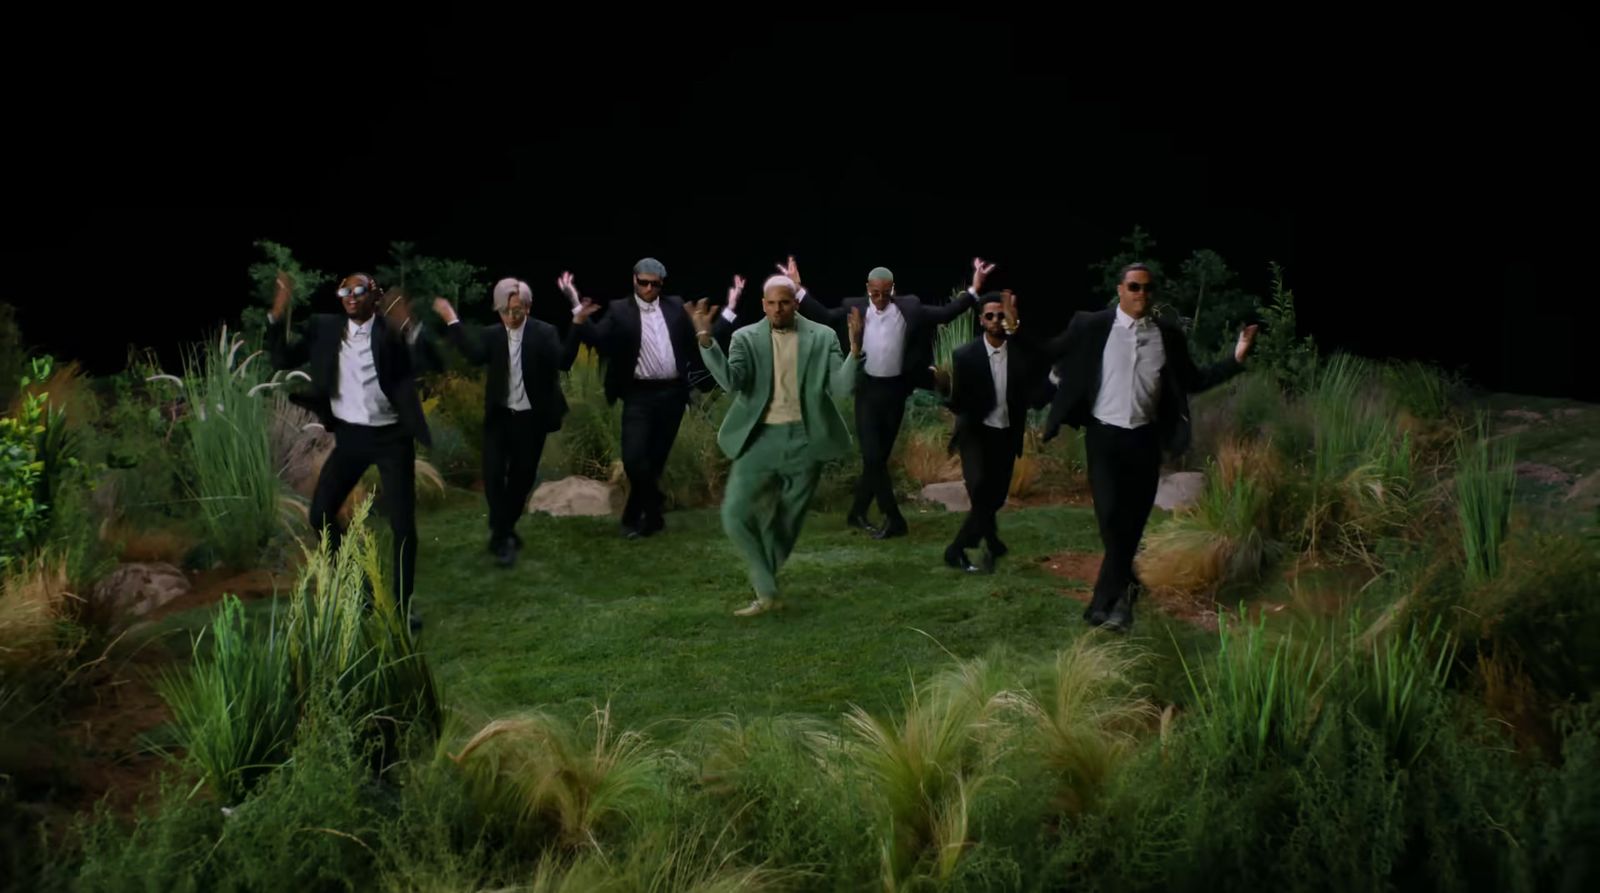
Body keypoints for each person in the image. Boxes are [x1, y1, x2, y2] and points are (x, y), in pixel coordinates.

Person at [1044, 263, 1258, 632]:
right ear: (1120, 289)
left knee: (1130, 526)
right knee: (1112, 523)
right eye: (1134, 286)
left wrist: (1236, 358)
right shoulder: (1092, 326)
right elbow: (1050, 352)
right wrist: (1013, 331)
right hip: (1103, 437)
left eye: (1147, 288)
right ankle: (1119, 596)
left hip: (1144, 440)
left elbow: (1195, 379)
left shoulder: (1167, 336)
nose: (1141, 294)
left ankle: (1108, 606)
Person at [690, 274, 863, 616]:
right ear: (763, 305)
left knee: (785, 525)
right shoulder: (745, 338)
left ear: (795, 303)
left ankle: (766, 595)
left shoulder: (822, 336)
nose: (778, 309)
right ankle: (767, 588)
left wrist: (855, 351)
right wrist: (707, 341)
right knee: (734, 514)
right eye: (771, 303)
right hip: (760, 439)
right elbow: (731, 382)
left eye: (785, 302)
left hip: (806, 439)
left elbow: (841, 388)